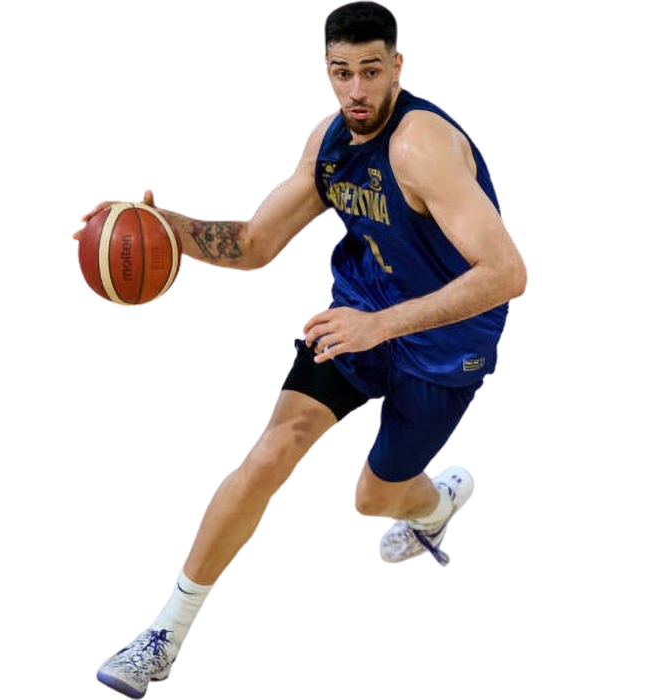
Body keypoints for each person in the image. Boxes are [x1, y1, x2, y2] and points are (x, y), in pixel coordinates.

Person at [87, 3, 527, 697]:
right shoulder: (331, 140)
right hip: (358, 312)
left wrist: (383, 327)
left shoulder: (421, 148)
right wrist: (167, 229)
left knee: (375, 497)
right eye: (341, 73)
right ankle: (164, 636)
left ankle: (434, 504)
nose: (356, 90)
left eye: (371, 72)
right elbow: (252, 244)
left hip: (444, 341)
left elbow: (506, 274)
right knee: (276, 446)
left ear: (397, 69)